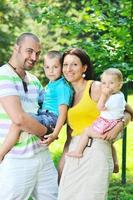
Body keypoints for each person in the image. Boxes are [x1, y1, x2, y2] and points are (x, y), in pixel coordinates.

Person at [57, 48, 131, 200]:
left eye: (74, 64)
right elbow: (71, 133)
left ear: (84, 68)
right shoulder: (66, 93)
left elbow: (128, 111)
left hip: (96, 150)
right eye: (65, 64)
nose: (68, 69)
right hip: (75, 150)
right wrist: (64, 159)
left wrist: (120, 125)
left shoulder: (96, 87)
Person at [0, 33, 58, 200]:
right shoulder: (3, 75)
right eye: (29, 51)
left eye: (38, 53)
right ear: (16, 48)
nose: (34, 57)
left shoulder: (34, 80)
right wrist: (48, 132)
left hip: (42, 156)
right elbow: (19, 119)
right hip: (17, 159)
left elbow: (47, 109)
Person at [0, 50, 73, 161]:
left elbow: (63, 114)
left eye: (55, 67)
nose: (51, 71)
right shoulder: (52, 84)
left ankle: (1, 153)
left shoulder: (62, 87)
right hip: (45, 116)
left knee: (19, 122)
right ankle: (39, 132)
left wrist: (55, 134)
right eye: (47, 67)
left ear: (62, 68)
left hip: (51, 118)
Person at [66, 68, 133, 173]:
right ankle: (115, 163)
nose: (107, 86)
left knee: (87, 131)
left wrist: (104, 96)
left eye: (111, 83)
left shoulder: (111, 98)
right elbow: (125, 106)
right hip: (115, 122)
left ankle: (78, 151)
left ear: (120, 84)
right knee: (111, 144)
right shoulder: (120, 95)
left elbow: (100, 107)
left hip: (106, 124)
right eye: (104, 83)